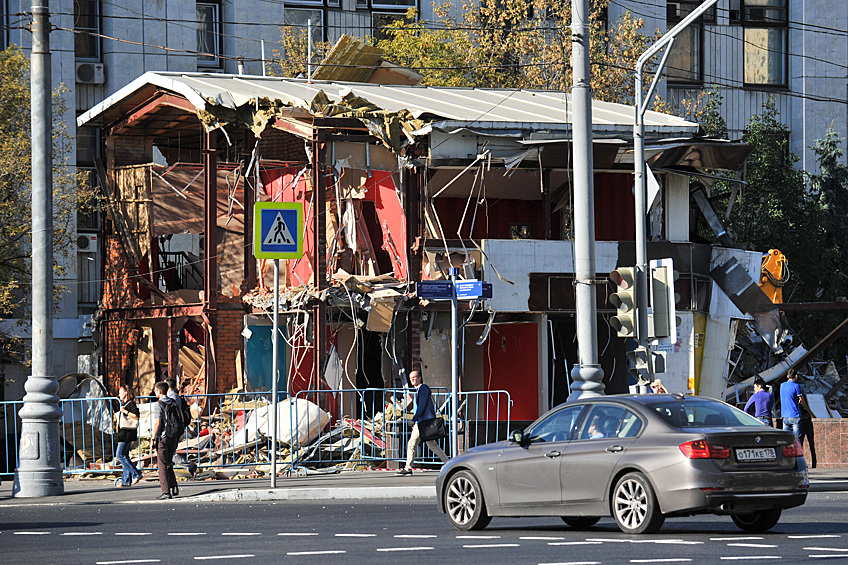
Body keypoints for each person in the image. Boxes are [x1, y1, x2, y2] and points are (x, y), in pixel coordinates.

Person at [396, 371, 448, 476]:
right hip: (422, 423)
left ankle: (408, 468)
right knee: (431, 445)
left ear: (420, 378)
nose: (412, 379)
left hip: (423, 423)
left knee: (412, 444)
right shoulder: (419, 390)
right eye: (411, 378)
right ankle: (448, 463)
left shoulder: (423, 389)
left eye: (414, 377)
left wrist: (414, 419)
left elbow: (422, 406)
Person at [165, 377, 198, 485]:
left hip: (174, 427)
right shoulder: (173, 396)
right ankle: (173, 474)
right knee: (170, 452)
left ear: (168, 386)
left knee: (169, 452)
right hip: (175, 427)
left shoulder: (172, 397)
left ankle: (189, 466)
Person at [151, 382, 178, 499]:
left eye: (155, 391)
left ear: (159, 391)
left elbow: (157, 423)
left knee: (162, 464)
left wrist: (153, 438)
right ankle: (173, 485)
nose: (154, 393)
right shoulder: (173, 402)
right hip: (174, 435)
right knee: (169, 462)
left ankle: (166, 492)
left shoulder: (159, 404)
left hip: (163, 436)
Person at [114, 386, 143, 487]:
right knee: (124, 455)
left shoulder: (130, 404)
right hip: (124, 433)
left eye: (120, 392)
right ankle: (125, 481)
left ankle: (136, 473)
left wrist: (125, 411)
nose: (118, 395)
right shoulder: (125, 404)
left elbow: (136, 416)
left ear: (126, 393)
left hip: (127, 433)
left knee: (120, 455)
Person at [780, 369, 804, 438]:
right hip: (795, 415)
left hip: (785, 416)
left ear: (787, 376)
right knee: (797, 439)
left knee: (785, 439)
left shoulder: (782, 385)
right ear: (796, 376)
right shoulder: (796, 386)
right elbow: (801, 399)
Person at [799, 401, 817, 468]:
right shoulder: (805, 406)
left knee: (801, 445)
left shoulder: (798, 407)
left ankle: (801, 463)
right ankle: (814, 464)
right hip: (808, 424)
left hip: (803, 424)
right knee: (811, 445)